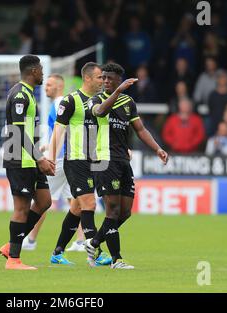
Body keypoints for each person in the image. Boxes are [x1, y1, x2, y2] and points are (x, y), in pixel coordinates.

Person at [85, 63, 169, 269]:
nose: (105, 81)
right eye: (103, 78)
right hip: (104, 161)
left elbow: (140, 130)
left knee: (125, 212)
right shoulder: (95, 100)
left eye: (109, 78)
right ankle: (117, 260)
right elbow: (100, 112)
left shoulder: (128, 102)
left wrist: (157, 149)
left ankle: (94, 242)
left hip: (123, 160)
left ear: (118, 79)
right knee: (112, 210)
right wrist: (118, 91)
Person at [49, 62, 112, 266]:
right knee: (90, 204)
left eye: (104, 78)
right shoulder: (71, 101)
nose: (103, 81)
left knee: (77, 208)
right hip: (75, 160)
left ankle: (57, 252)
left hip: (94, 161)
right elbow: (58, 132)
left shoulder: (103, 101)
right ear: (87, 78)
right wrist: (51, 157)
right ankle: (95, 251)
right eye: (99, 77)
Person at [0, 55, 55, 270]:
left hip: (30, 157)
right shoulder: (20, 95)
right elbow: (19, 131)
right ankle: (14, 260)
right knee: (21, 208)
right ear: (33, 71)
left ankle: (11, 245)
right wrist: (39, 158)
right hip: (19, 158)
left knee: (44, 201)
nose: (43, 73)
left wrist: (39, 155)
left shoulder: (29, 94)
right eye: (41, 69)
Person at [21, 74, 82, 251]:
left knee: (42, 200)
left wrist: (51, 155)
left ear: (59, 87)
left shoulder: (59, 104)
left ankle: (30, 240)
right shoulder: (60, 104)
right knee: (74, 200)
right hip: (64, 157)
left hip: (58, 160)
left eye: (49, 85)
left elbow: (63, 131)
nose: (45, 87)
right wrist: (47, 144)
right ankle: (80, 241)